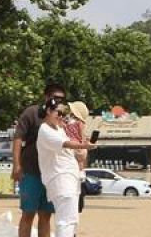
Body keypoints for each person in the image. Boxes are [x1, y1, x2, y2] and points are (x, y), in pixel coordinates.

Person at [35, 97, 96, 237]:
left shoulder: (58, 128)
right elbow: (65, 144)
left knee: (72, 220)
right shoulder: (45, 130)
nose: (63, 117)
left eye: (64, 114)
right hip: (60, 179)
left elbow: (75, 151)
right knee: (65, 221)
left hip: (70, 178)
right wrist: (84, 145)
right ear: (49, 111)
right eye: (59, 113)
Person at [14, 82, 66, 237]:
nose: (58, 102)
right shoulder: (32, 113)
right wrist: (16, 165)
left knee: (46, 216)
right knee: (28, 214)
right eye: (55, 98)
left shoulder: (61, 118)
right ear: (46, 97)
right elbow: (18, 138)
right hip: (31, 171)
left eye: (62, 99)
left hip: (50, 174)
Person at [65, 101, 91, 214]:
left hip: (69, 150)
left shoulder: (66, 123)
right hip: (77, 151)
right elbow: (83, 139)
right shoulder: (81, 124)